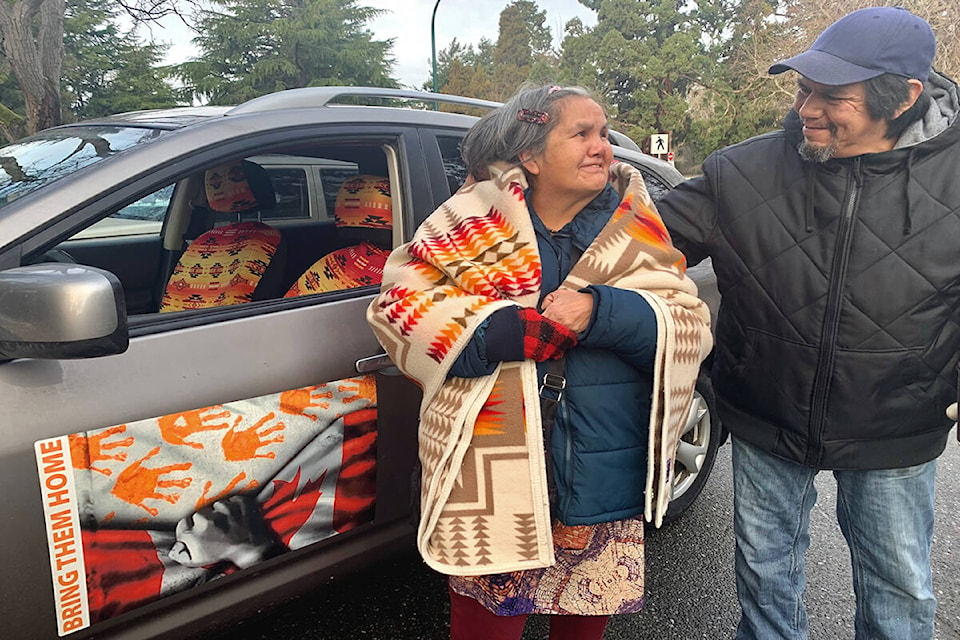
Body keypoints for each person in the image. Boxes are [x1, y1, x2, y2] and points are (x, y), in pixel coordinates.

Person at [656, 7, 959, 639]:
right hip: (766, 406)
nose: (807, 109)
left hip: (896, 417)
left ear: (902, 97)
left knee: (897, 590)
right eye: (804, 89)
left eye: (833, 96)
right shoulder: (744, 171)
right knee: (765, 582)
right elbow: (640, 242)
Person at [366, 84, 712, 640]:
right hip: (490, 476)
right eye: (581, 134)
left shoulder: (636, 226)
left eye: (603, 132)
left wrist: (600, 311)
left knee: (582, 626)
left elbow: (689, 325)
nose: (603, 146)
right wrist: (490, 332)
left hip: (601, 465)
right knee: (484, 631)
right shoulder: (468, 219)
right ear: (530, 155)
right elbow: (397, 307)